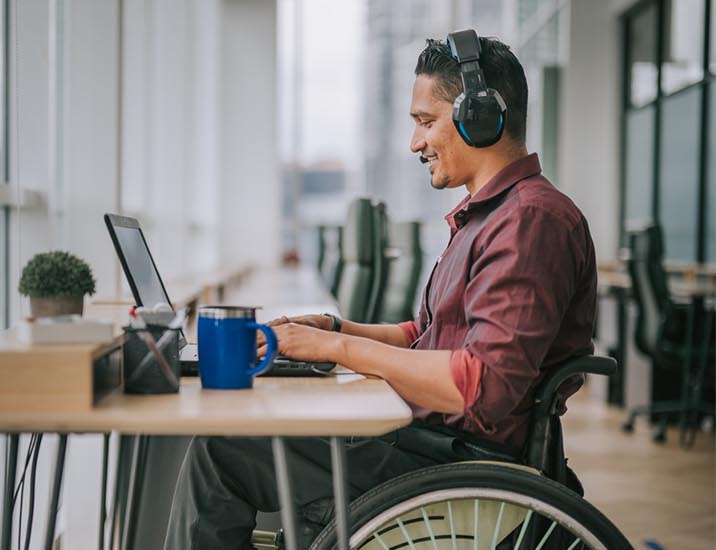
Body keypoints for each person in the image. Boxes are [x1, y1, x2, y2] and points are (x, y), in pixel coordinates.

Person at [164, 33, 598, 548]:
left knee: (224, 452)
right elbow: (427, 334)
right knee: (237, 442)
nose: (415, 144)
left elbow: (480, 387)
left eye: (425, 122)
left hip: (460, 465)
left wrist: (338, 349)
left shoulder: (529, 221)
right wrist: (332, 328)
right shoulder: (492, 216)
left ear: (480, 117)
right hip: (429, 443)